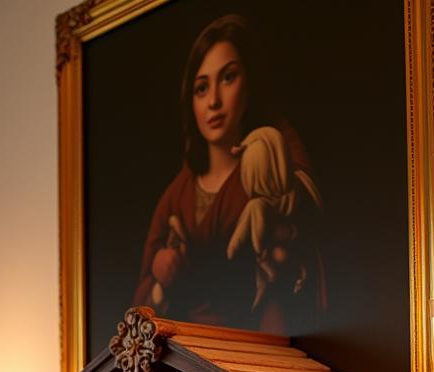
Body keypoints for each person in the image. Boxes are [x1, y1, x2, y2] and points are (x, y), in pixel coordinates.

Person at [132, 14, 324, 333]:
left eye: (228, 77)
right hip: (193, 364)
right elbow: (139, 311)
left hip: (264, 352)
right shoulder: (176, 198)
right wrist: (160, 274)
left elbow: (307, 223)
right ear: (189, 101)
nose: (214, 102)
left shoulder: (274, 154)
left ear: (249, 82)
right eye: (201, 88)